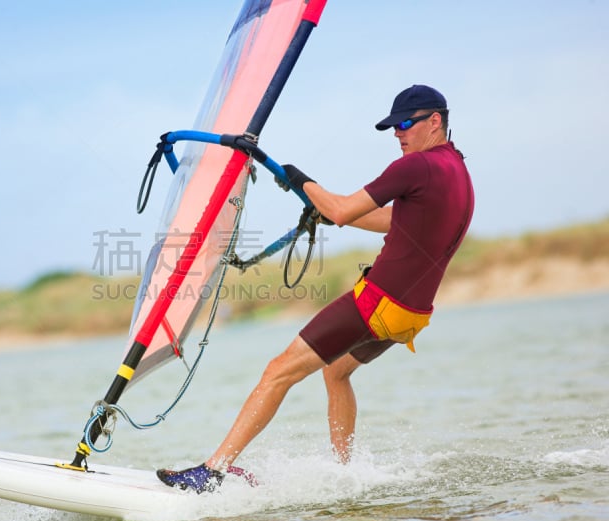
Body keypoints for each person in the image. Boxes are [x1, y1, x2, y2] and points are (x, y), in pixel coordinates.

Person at [157, 84, 475, 493]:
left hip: (377, 302)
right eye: (393, 127)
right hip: (410, 316)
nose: (398, 133)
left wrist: (302, 182)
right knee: (336, 370)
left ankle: (213, 471)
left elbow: (341, 210)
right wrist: (323, 210)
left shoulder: (415, 167)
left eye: (405, 124)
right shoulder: (458, 171)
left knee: (277, 372)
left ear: (436, 121)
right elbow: (391, 220)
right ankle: (347, 475)